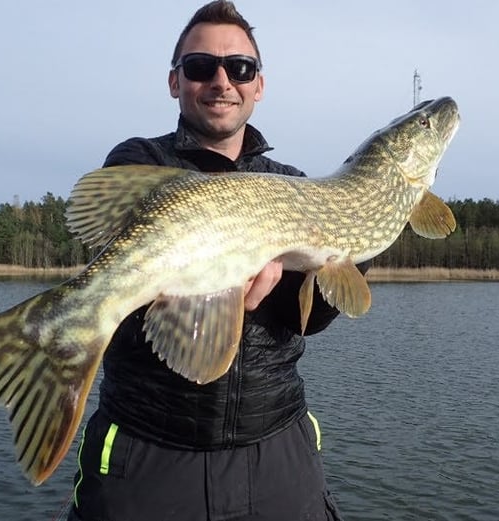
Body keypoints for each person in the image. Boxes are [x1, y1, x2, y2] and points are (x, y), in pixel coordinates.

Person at [68, 2, 368, 519]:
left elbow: (310, 321)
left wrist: (354, 245)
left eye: (241, 68)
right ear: (175, 81)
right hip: (150, 453)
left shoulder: (293, 182)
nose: (221, 80)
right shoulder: (141, 159)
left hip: (276, 449)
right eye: (201, 66)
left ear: (259, 85)